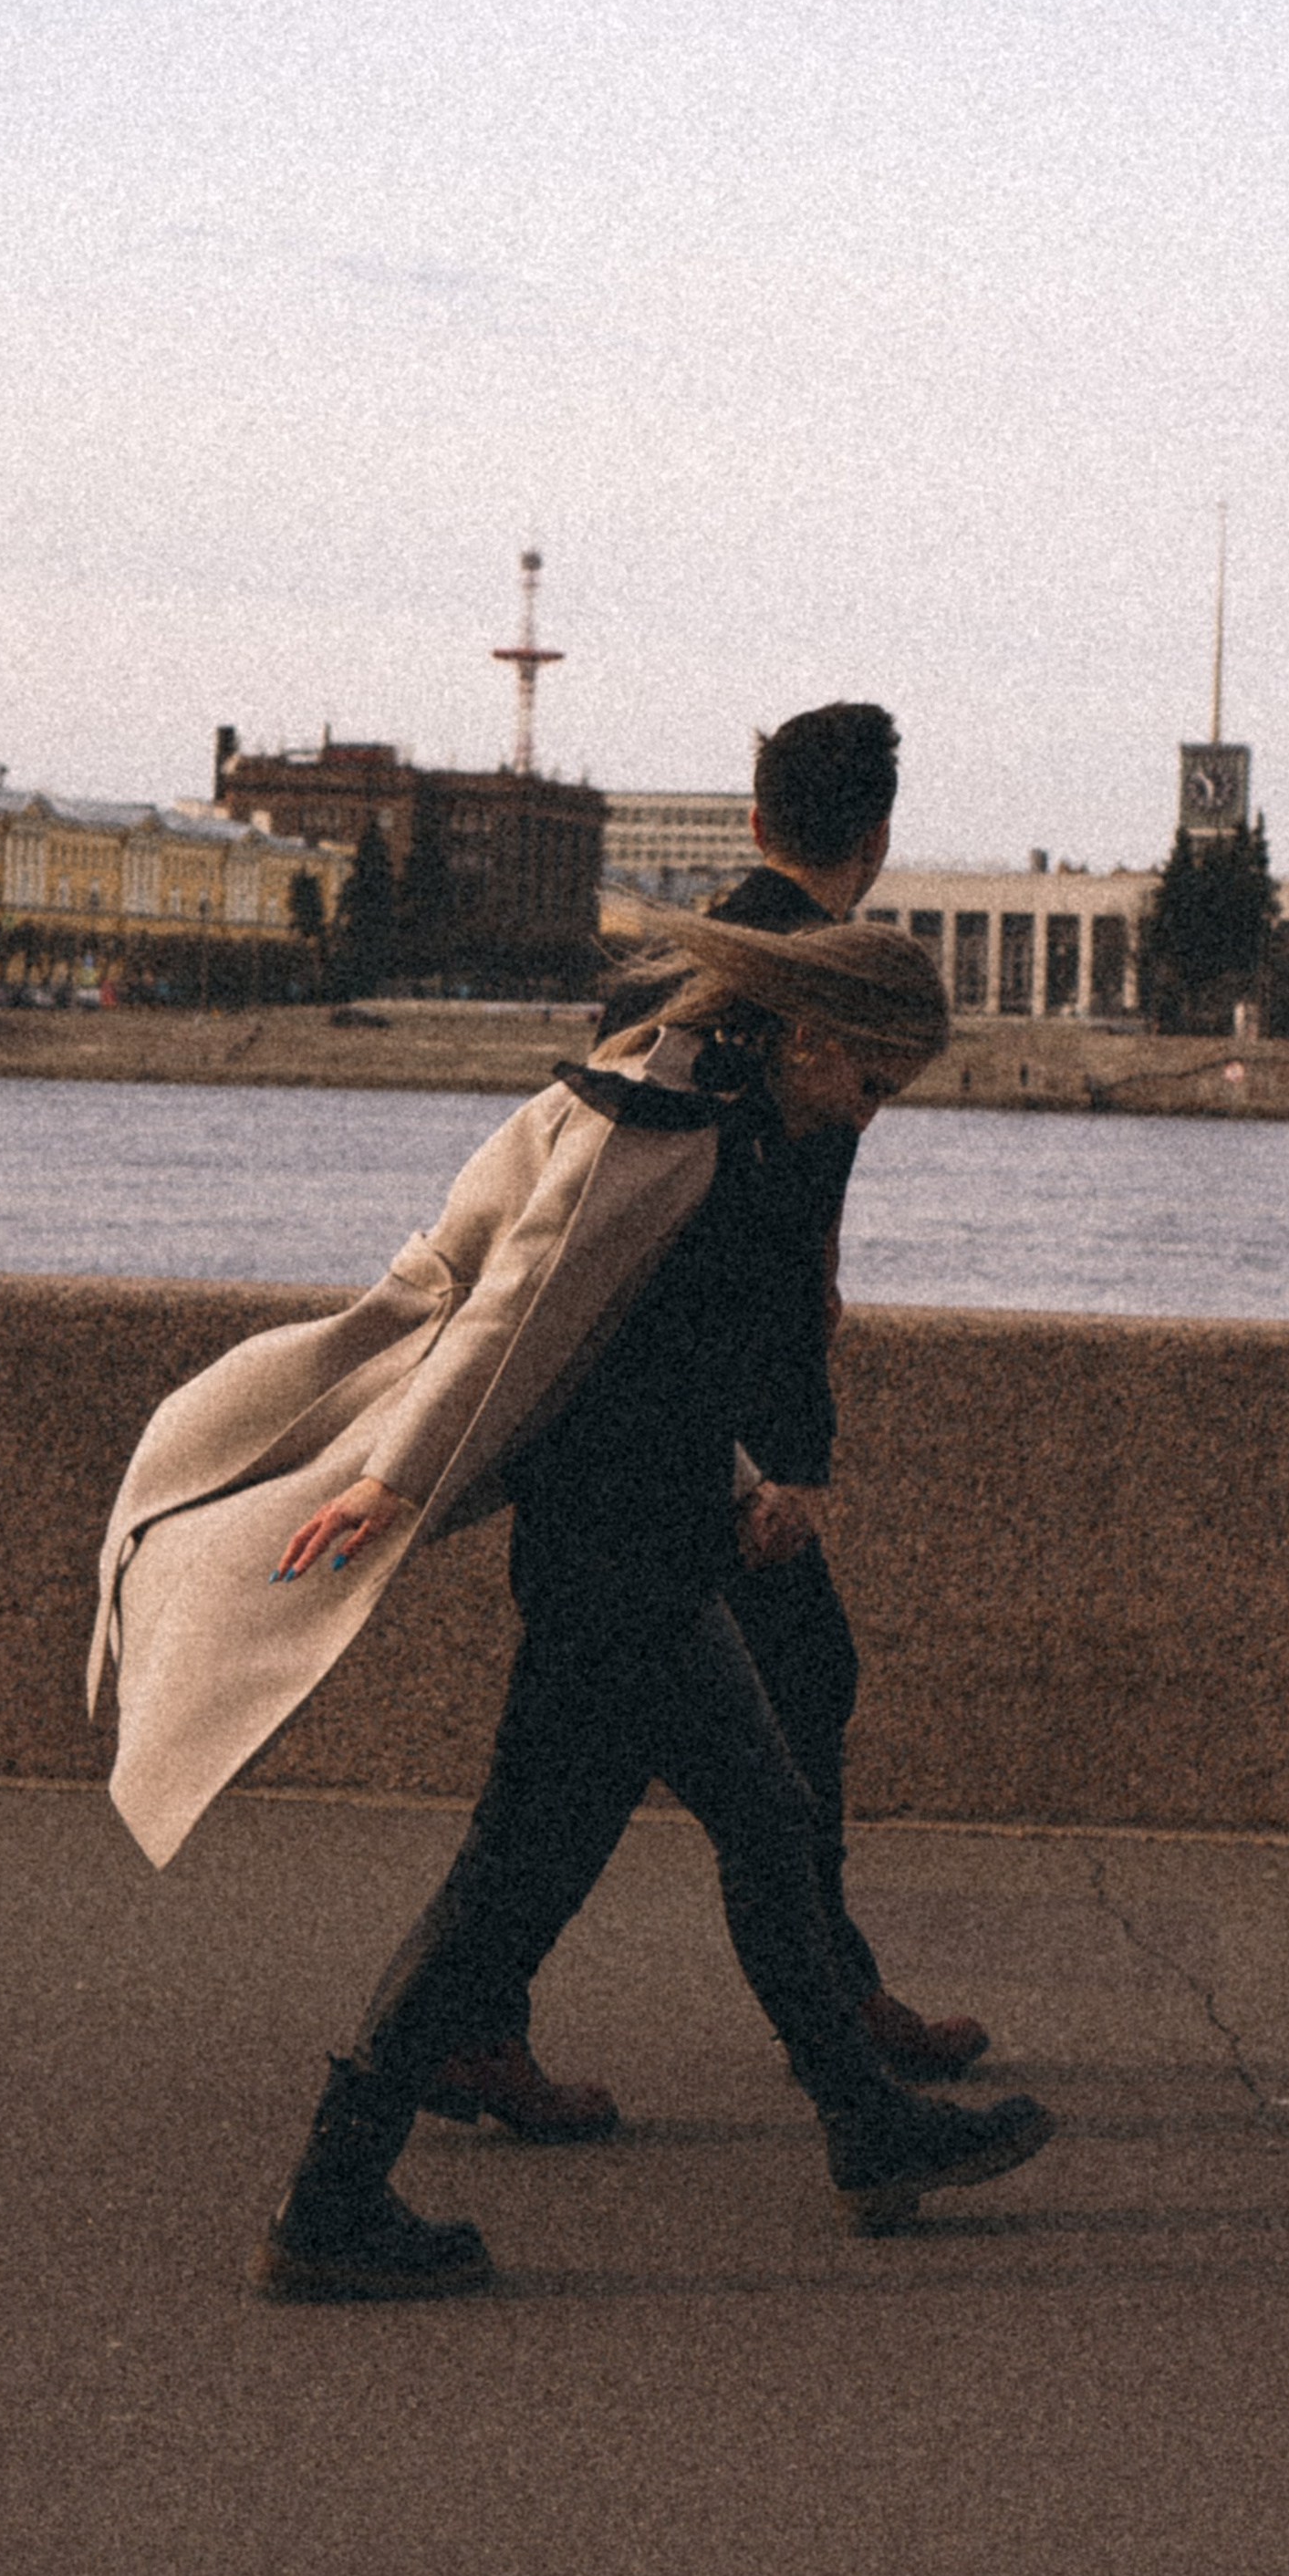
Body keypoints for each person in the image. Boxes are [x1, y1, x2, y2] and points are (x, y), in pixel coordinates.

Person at [90, 916, 1052, 2300]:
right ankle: (343, 2200)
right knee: (642, 1848)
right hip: (616, 1564)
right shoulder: (658, 1124)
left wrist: (737, 1480)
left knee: (576, 1859)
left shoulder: (730, 1127)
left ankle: (846, 2130)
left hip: (646, 1539)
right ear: (817, 1036)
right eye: (876, 1084)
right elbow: (518, 1309)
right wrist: (391, 1478)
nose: (873, 1114)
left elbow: (646, 1359)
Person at [415, 701, 986, 2148]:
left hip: (609, 1433)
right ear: (877, 837)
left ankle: (459, 2036)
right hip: (681, 1452)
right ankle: (842, 2054)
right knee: (752, 1726)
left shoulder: (673, 962)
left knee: (587, 1757)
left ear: (751, 820)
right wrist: (789, 1465)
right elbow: (778, 1262)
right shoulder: (815, 986)